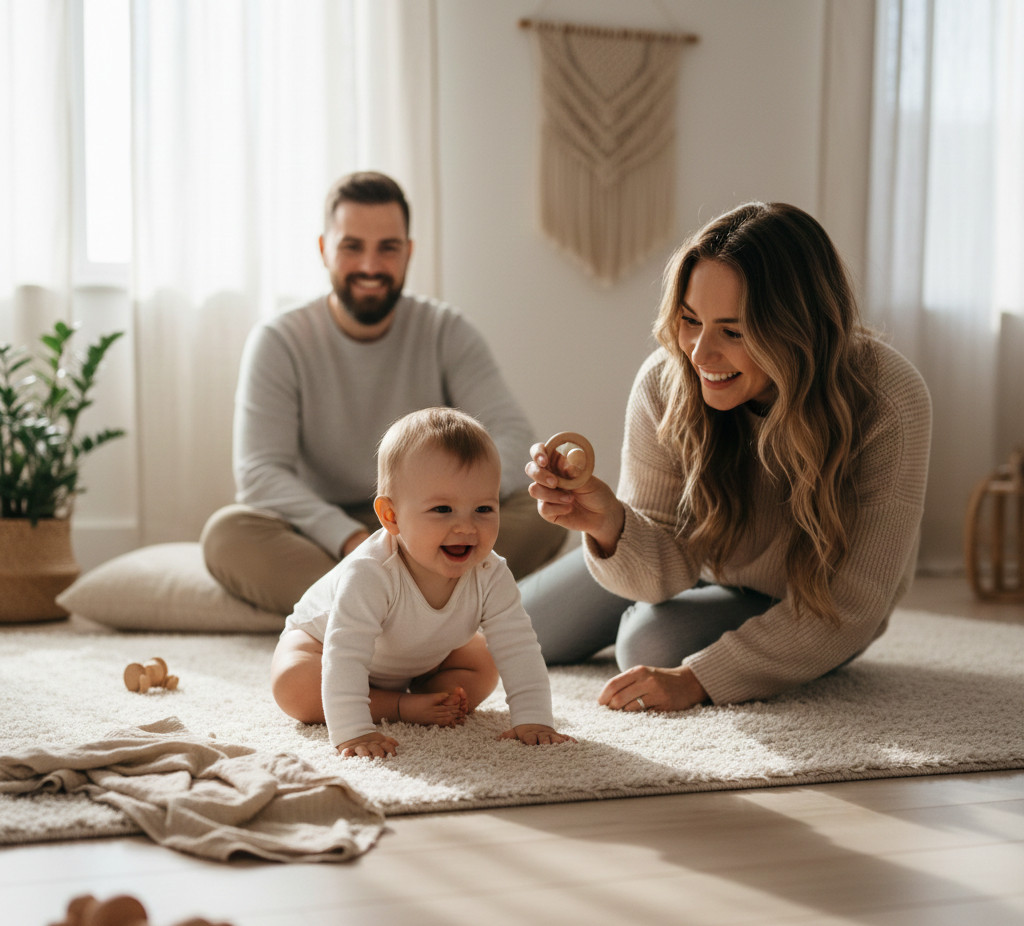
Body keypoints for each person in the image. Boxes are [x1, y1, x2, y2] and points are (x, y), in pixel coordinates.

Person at [521, 201, 932, 716]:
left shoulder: (889, 400)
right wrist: (610, 524)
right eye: (691, 320)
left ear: (798, 328)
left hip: (801, 596)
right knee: (504, 630)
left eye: (733, 332)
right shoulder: (666, 381)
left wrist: (695, 679)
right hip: (693, 562)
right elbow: (664, 568)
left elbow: (853, 606)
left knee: (649, 646)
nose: (699, 354)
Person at [202, 171, 565, 614]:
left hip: (434, 522)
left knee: (546, 512)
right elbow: (260, 473)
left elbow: (510, 437)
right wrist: (355, 540)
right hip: (327, 533)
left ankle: (371, 613)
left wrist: (442, 515)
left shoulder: (445, 330)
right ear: (324, 250)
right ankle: (426, 609)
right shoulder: (279, 340)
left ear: (408, 252)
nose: (371, 266)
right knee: (228, 534)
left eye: (388, 248)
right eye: (352, 246)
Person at [270, 407, 576, 758]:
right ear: (391, 516)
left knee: (484, 662)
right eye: (443, 510)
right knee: (292, 685)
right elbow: (345, 655)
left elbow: (519, 646)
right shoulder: (370, 573)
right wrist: (354, 733)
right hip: (325, 648)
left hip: (419, 659)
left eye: (484, 509)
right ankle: (396, 705)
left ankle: (426, 693)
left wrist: (534, 719)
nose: (466, 527)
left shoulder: (491, 573)